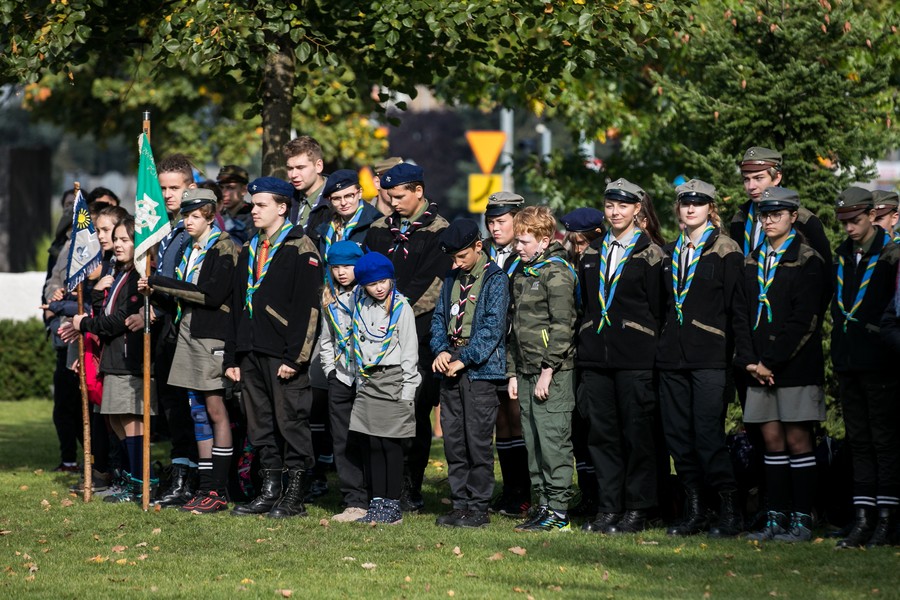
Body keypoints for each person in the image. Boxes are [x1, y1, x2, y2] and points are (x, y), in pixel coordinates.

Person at [733, 187, 828, 543]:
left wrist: (770, 361)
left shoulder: (807, 259)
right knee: (771, 440)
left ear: (792, 217)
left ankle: (801, 519)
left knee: (798, 438)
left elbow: (804, 319)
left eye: (777, 214)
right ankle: (776, 517)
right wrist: (750, 362)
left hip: (794, 365)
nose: (769, 220)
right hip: (757, 366)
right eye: (765, 215)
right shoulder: (751, 259)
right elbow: (740, 314)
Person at [225, 176, 323, 519]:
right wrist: (233, 355)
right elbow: (237, 305)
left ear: (282, 208)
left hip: (283, 354)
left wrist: (296, 357)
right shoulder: (250, 247)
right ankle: (270, 489)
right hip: (250, 350)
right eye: (253, 205)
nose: (254, 211)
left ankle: (295, 495)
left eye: (262, 205)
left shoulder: (301, 246)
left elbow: (307, 309)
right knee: (260, 423)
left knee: (290, 421)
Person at [140, 188, 240, 514]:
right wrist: (154, 289)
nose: (188, 221)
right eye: (186, 215)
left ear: (210, 215)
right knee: (197, 412)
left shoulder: (224, 248)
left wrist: (164, 284)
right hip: (186, 335)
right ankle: (205, 486)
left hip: (210, 337)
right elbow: (181, 294)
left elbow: (210, 295)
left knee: (215, 410)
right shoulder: (188, 248)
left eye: (195, 216)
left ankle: (219, 490)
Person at [656, 179, 744, 538]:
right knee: (679, 436)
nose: (690, 209)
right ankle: (696, 510)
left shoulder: (726, 249)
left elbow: (737, 307)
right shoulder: (672, 250)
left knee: (708, 435)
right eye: (685, 203)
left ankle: (730, 509)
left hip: (709, 357)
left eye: (699, 203)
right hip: (672, 358)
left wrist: (738, 357)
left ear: (711, 208)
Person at [578, 178, 665, 535]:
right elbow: (586, 303)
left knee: (636, 435)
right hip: (596, 357)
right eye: (610, 206)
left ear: (637, 211)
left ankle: (637, 508)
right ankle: (608, 507)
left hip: (635, 357)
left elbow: (659, 308)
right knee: (602, 435)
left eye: (623, 206)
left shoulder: (651, 253)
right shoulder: (592, 252)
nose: (615, 212)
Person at [364, 162, 451, 512]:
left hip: (420, 334)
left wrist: (393, 314)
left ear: (418, 191)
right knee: (381, 408)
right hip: (376, 334)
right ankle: (382, 483)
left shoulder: (438, 231)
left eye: (400, 196)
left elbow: (433, 284)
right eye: (389, 196)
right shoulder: (378, 230)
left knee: (415, 410)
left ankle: (409, 484)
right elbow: (366, 274)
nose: (393, 202)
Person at [64, 216, 158, 503]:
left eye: (124, 239)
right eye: (115, 239)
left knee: (132, 421)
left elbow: (117, 321)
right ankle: (131, 479)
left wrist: (85, 325)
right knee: (117, 421)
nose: (117, 244)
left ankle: (142, 483)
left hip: (131, 361)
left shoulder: (138, 277)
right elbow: (107, 314)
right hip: (113, 359)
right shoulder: (120, 274)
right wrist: (94, 295)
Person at [829, 187, 900, 547]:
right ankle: (862, 516)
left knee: (883, 439)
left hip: (880, 361)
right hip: (849, 360)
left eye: (855, 221)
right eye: (844, 223)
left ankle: (887, 519)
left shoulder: (891, 254)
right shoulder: (844, 253)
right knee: (858, 440)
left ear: (873, 215)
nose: (850, 229)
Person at [430, 219, 509, 528]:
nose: (457, 262)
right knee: (454, 440)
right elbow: (438, 318)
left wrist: (464, 359)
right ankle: (459, 502)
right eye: (453, 258)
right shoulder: (451, 278)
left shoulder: (495, 279)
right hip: (449, 366)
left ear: (478, 246)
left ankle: (478, 505)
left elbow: (492, 328)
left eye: (462, 256)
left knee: (477, 440)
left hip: (479, 372)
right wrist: (440, 351)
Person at [506, 206, 577, 532]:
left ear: (544, 240)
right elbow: (513, 329)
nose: (516, 247)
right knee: (532, 442)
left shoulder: (557, 273)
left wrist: (548, 370)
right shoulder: (522, 272)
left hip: (552, 373)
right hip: (525, 369)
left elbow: (563, 326)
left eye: (523, 241)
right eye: (516, 241)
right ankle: (543, 504)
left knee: (552, 441)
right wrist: (512, 371)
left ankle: (559, 510)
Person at [348, 252, 421, 525]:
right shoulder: (361, 304)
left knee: (391, 444)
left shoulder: (402, 308)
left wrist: (407, 392)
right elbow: (358, 344)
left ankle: (392, 504)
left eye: (383, 281)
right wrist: (359, 381)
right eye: (372, 283)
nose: (379, 288)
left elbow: (410, 353)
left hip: (394, 380)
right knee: (372, 443)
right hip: (369, 380)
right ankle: (376, 500)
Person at [148, 153, 201, 508]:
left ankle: (201, 475)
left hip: (191, 329)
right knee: (172, 408)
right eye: (163, 188)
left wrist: (157, 289)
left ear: (190, 187)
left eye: (175, 188)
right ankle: (179, 472)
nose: (168, 195)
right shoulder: (162, 231)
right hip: (165, 329)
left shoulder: (194, 231)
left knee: (193, 406)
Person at [483, 191, 532, 517]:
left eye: (501, 221)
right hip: (489, 349)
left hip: (515, 348)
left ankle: (524, 491)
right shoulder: (485, 253)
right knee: (501, 419)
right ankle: (510, 489)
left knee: (517, 418)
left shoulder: (524, 255)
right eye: (490, 222)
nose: (495, 228)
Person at [559, 206, 605, 519]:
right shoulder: (567, 266)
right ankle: (587, 494)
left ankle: (603, 496)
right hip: (571, 357)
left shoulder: (601, 263)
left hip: (593, 355)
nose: (578, 249)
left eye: (583, 243)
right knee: (577, 432)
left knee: (595, 429)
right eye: (574, 244)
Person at [318, 241, 367, 522]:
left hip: (367, 377)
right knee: (342, 439)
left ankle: (376, 495)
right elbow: (327, 339)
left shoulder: (369, 293)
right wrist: (330, 370)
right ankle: (353, 499)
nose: (341, 272)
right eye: (336, 267)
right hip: (341, 377)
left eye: (348, 266)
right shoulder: (330, 297)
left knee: (368, 437)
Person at [317, 169, 383, 259]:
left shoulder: (376, 223)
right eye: (336, 198)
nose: (343, 203)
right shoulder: (326, 226)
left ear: (360, 193)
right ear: (329, 200)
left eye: (348, 196)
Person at [284, 136, 330, 236]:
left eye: (300, 168)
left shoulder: (336, 200)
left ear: (318, 166)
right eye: (290, 168)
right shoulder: (284, 198)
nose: (293, 175)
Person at [216, 165, 255, 244]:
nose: (224, 193)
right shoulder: (219, 215)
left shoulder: (253, 216)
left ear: (244, 190)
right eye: (221, 187)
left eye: (230, 188)